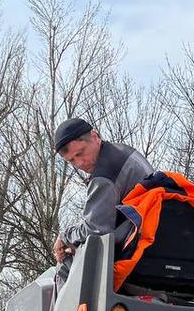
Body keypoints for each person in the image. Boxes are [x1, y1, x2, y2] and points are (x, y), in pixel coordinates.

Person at [51, 118, 154, 276]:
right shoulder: (127, 153)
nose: (79, 163)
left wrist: (65, 237)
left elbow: (96, 230)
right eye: (71, 160)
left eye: (80, 153)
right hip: (151, 238)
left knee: (64, 266)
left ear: (95, 137)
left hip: (135, 251)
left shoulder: (104, 176)